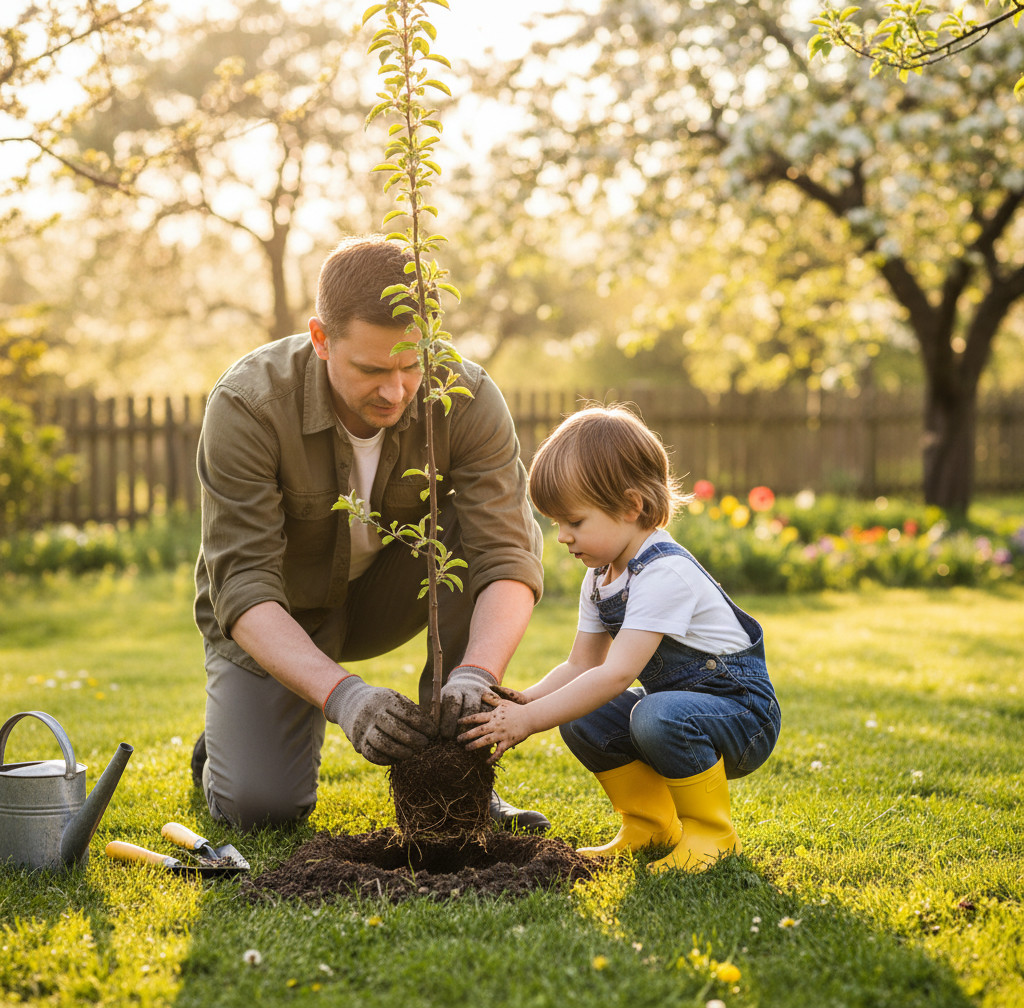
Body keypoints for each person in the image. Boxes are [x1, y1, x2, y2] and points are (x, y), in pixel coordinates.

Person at [191, 235, 548, 832]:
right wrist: (346, 698)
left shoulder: (466, 397)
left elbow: (509, 557)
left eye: (413, 366)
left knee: (480, 536)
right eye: (372, 369)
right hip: (287, 611)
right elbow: (245, 589)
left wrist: (476, 673)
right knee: (263, 809)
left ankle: (457, 781)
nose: (396, 390)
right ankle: (226, 744)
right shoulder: (247, 406)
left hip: (388, 597)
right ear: (321, 338)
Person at [460, 406, 781, 871]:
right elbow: (580, 666)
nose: (564, 538)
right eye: (556, 525)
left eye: (575, 521)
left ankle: (712, 835)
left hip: (742, 716)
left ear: (631, 507)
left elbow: (617, 673)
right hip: (676, 711)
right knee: (584, 715)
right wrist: (524, 702)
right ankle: (650, 825)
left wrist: (530, 722)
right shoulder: (601, 576)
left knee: (653, 711)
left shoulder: (664, 572)